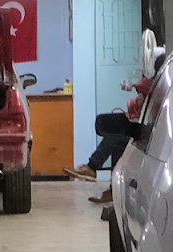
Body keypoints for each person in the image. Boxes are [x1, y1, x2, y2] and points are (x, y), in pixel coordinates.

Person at [65, 60, 161, 204]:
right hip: (148, 129)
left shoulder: (159, 86)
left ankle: (92, 167)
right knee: (118, 141)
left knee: (116, 135)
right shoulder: (161, 86)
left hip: (154, 134)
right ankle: (113, 190)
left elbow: (145, 85)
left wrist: (134, 85)